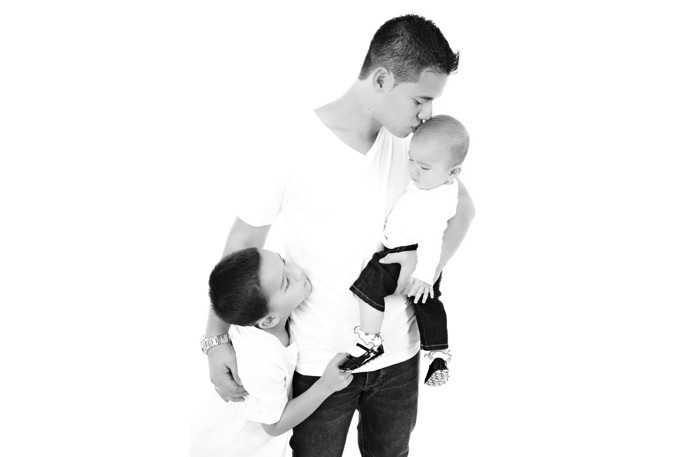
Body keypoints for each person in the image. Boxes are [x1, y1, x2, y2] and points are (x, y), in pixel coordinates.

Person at [203, 14, 475, 456]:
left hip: (399, 357)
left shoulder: (417, 148)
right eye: (421, 99)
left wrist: (424, 270)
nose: (427, 114)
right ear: (382, 80)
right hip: (319, 361)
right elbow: (243, 245)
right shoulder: (290, 143)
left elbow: (462, 208)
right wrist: (216, 340)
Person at [340, 115, 470, 389]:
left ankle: (370, 340)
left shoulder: (436, 200)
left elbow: (433, 238)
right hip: (412, 253)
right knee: (427, 302)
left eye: (424, 167)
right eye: (411, 160)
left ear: (453, 172)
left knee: (369, 288)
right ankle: (438, 353)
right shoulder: (441, 183)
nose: (414, 170)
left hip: (406, 253)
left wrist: (425, 274)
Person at [191, 248, 353, 457]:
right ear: (268, 320)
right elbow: (274, 426)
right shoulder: (263, 362)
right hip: (233, 450)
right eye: (287, 282)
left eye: (283, 261)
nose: (297, 272)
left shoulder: (262, 317)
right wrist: (325, 386)